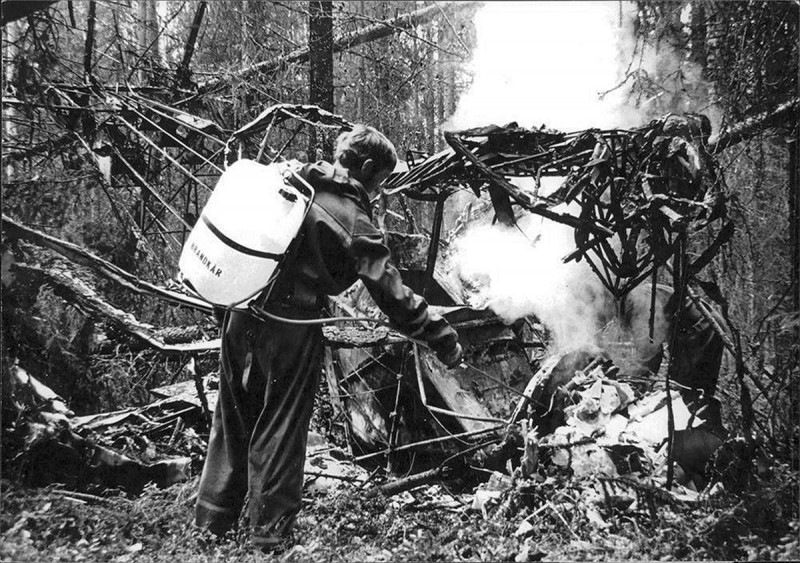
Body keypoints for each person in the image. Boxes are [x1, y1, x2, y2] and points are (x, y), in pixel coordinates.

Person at [194, 125, 463, 549]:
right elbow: (391, 293)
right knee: (281, 424)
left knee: (232, 417)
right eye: (380, 180)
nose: (378, 190)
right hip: (291, 326)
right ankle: (268, 538)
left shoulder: (291, 180)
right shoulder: (352, 217)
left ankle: (212, 521)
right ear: (369, 168)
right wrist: (442, 336)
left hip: (240, 310)